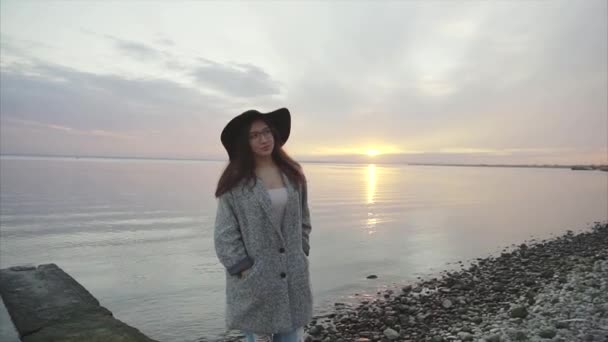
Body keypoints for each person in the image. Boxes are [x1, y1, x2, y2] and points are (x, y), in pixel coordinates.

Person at [213, 108, 313, 342]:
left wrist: (301, 250)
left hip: (292, 279)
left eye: (266, 132)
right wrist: (247, 271)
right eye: (254, 135)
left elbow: (304, 219)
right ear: (244, 143)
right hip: (255, 285)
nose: (263, 139)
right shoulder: (236, 182)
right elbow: (225, 235)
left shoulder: (293, 174)